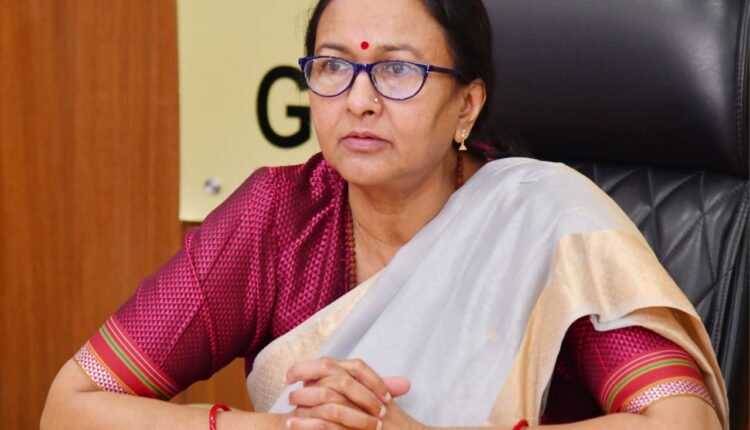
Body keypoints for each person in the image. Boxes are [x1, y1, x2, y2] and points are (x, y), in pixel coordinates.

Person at [41, 1, 728, 429]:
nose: (359, 100)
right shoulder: (277, 218)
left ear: (467, 105)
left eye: (398, 71)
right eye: (333, 67)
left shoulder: (544, 222)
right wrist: (283, 429)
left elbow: (683, 421)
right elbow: (72, 406)